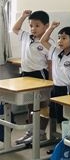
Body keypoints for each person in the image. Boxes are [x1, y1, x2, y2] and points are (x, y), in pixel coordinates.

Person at [12, 10, 52, 144]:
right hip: (26, 74)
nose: (33, 28)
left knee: (42, 105)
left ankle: (40, 133)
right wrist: (23, 16)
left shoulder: (47, 42)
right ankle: (30, 132)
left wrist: (50, 81)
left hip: (39, 75)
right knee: (30, 105)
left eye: (37, 26)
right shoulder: (26, 36)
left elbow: (51, 64)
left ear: (46, 26)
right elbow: (15, 29)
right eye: (31, 26)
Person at [40, 23, 70, 124]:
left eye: (64, 38)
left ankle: (65, 134)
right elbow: (43, 41)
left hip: (66, 90)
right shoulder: (56, 52)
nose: (60, 41)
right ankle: (57, 133)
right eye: (59, 38)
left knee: (65, 119)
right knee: (54, 116)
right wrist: (51, 28)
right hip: (55, 88)